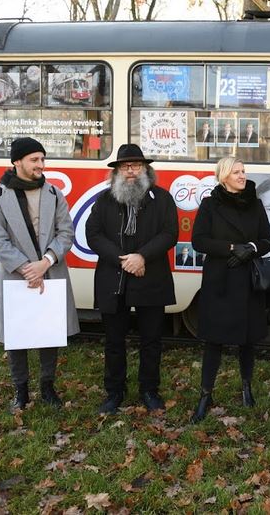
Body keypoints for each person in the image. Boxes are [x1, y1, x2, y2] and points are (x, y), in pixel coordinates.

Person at [0, 137, 80, 412]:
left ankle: (48, 387)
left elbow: (66, 233)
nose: (41, 165)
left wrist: (45, 262)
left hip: (49, 271)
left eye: (42, 159)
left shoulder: (53, 193)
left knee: (48, 332)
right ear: (17, 162)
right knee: (18, 334)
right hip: (17, 276)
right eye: (34, 160)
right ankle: (21, 390)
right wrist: (27, 268)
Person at [86, 143, 178, 414]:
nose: (130, 171)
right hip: (114, 278)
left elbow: (169, 233)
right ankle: (114, 392)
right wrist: (124, 260)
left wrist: (142, 257)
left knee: (151, 340)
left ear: (145, 170)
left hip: (151, 276)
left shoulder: (162, 199)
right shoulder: (104, 201)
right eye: (125, 166)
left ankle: (149, 390)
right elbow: (94, 235)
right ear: (115, 171)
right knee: (114, 341)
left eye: (136, 165)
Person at [190, 158, 270, 422]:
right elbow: (199, 241)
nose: (242, 175)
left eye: (243, 171)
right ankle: (206, 394)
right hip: (220, 279)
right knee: (213, 340)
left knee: (247, 340)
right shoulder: (209, 204)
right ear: (223, 176)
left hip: (248, 279)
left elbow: (267, 240)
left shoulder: (256, 203)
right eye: (236, 172)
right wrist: (230, 248)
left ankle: (247, 388)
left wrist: (249, 248)